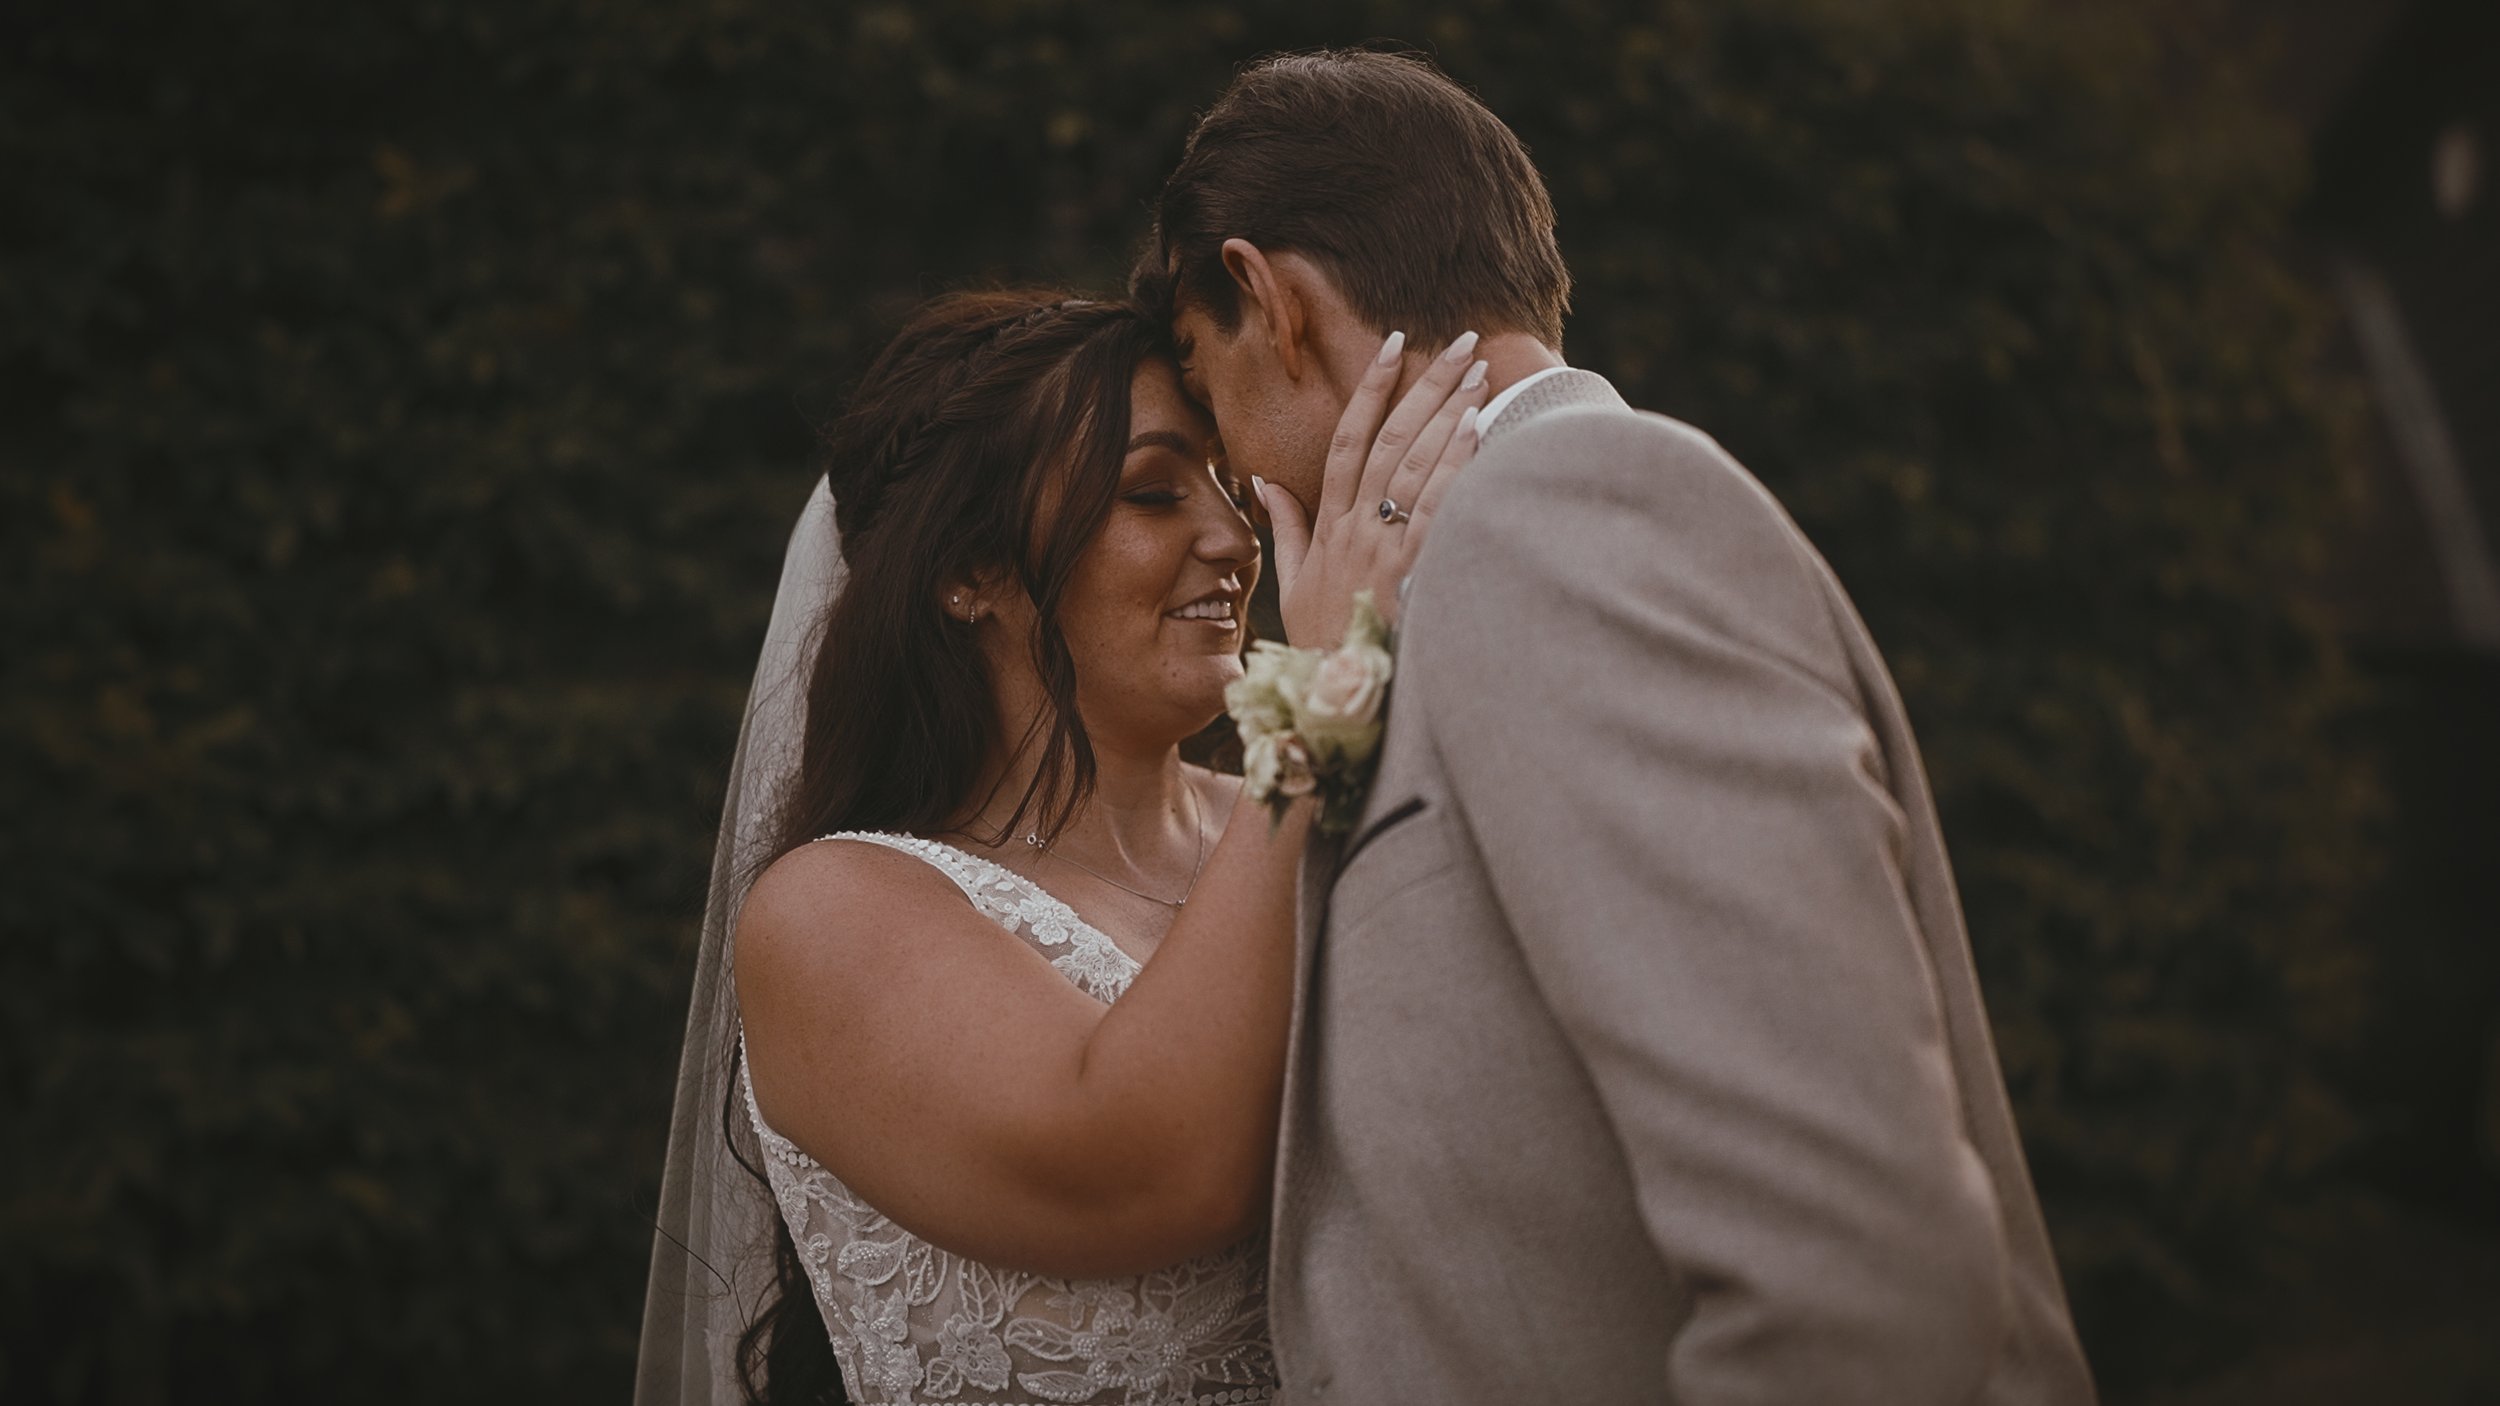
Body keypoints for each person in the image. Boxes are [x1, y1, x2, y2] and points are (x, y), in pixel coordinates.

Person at [1131, 50, 2100, 1403]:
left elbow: (1853, 1275)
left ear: (1273, 300)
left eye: (1200, 369)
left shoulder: (1563, 515)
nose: (1230, 473)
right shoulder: (1457, 572)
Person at [633, 289, 1485, 1406]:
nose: (1234, 540)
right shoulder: (831, 912)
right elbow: (1143, 1168)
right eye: (1151, 492)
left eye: (1230, 486)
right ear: (969, 573)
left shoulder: (1310, 806)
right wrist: (1323, 694)